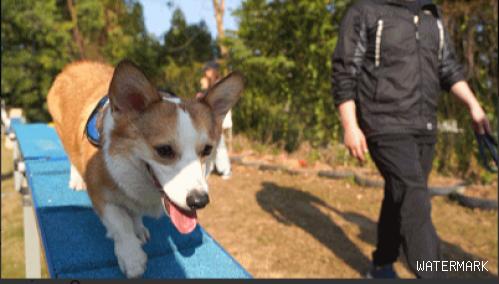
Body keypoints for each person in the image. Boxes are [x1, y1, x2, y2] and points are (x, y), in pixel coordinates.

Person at [332, 0, 491, 279]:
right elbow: (345, 69)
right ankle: (435, 274)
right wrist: (350, 125)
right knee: (413, 196)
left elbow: (448, 68)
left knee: (400, 195)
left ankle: (381, 265)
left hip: (425, 125)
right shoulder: (365, 10)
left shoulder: (431, 16)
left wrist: (473, 105)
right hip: (384, 122)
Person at [197, 61, 233, 180]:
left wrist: (203, 93)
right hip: (208, 121)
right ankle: (210, 169)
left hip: (217, 120)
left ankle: (225, 169)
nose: (205, 73)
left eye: (207, 70)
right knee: (211, 145)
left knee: (219, 145)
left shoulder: (218, 84)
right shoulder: (210, 84)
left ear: (213, 71)